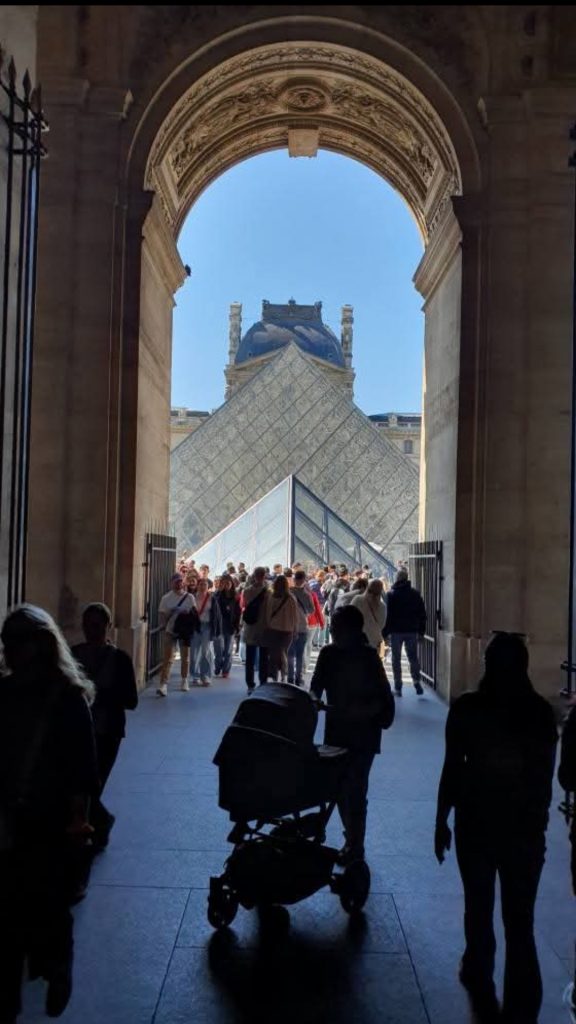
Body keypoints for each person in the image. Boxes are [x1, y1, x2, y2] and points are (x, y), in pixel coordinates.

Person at [435, 633, 558, 1024]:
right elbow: (543, 777)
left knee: (478, 903)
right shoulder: (539, 713)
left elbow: (453, 768)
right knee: (520, 919)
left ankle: (478, 966)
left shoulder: (469, 708)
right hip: (523, 827)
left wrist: (441, 820)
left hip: (477, 820)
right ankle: (522, 995)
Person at [0, 605, 99, 1023]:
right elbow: (85, 770)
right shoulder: (70, 698)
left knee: (27, 907)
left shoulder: (12, 695)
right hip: (40, 818)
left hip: (35, 820)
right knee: (41, 905)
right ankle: (54, 963)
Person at [311, 605, 394, 865]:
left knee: (349, 789)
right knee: (350, 789)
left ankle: (354, 842)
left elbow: (316, 687)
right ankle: (354, 841)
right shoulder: (365, 656)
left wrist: (318, 702)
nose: (332, 632)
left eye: (336, 628)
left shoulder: (337, 655)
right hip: (359, 732)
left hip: (346, 730)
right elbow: (315, 686)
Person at [72, 603, 138, 851]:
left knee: (92, 784)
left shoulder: (118, 660)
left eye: (96, 626)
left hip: (106, 730)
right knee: (87, 784)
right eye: (88, 626)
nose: (91, 631)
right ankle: (94, 825)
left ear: (107, 627)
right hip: (84, 730)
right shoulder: (74, 654)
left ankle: (93, 826)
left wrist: (98, 695)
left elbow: (131, 700)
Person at [383, 567, 426, 696]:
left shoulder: (391, 595)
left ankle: (398, 686)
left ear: (396, 579)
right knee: (412, 657)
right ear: (407, 579)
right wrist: (421, 631)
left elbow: (387, 615)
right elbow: (422, 614)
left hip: (396, 631)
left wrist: (385, 633)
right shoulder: (415, 594)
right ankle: (417, 680)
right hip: (412, 630)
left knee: (396, 659)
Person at [157, 573, 196, 697]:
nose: (179, 584)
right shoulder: (166, 598)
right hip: (171, 629)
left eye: (180, 581)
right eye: (176, 581)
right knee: (168, 657)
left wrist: (185, 612)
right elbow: (162, 615)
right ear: (171, 583)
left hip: (185, 631)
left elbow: (194, 613)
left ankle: (184, 680)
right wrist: (168, 616)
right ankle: (163, 684)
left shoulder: (189, 597)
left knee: (186, 656)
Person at [241, 567, 270, 692]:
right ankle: (263, 683)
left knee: (250, 659)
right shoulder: (269, 592)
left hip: (250, 628)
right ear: (265, 576)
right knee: (264, 659)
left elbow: (245, 604)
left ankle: (250, 685)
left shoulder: (247, 591)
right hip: (264, 628)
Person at [265, 574, 298, 682]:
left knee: (274, 653)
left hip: (273, 629)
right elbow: (295, 616)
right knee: (283, 652)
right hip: (287, 630)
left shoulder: (272, 597)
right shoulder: (291, 598)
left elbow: (268, 614)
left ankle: (274, 675)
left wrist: (267, 625)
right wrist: (295, 629)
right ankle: (284, 674)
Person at [190, 576, 221, 686]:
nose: (203, 586)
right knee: (194, 652)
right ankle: (195, 675)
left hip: (207, 626)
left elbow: (217, 616)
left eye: (205, 584)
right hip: (195, 627)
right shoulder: (192, 598)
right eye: (201, 584)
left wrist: (217, 630)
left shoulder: (212, 599)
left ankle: (205, 675)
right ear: (197, 586)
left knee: (205, 651)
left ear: (208, 586)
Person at [287, 570, 314, 686]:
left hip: (289, 626)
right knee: (299, 654)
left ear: (294, 579)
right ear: (303, 580)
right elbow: (311, 610)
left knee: (290, 653)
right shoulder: (306, 594)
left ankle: (290, 677)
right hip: (302, 626)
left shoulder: (288, 593)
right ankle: (298, 678)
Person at [213, 574, 240, 678]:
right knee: (218, 649)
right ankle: (218, 665)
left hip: (231, 625)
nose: (226, 585)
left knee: (228, 650)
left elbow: (238, 613)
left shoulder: (236, 596)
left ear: (232, 584)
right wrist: (219, 590)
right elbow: (213, 602)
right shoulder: (217, 595)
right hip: (218, 626)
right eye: (224, 583)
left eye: (228, 583)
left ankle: (226, 669)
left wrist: (237, 626)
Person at [351, 578, 387, 650]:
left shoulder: (358, 599)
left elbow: (349, 616)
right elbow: (382, 625)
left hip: (357, 640)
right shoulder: (383, 606)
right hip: (374, 642)